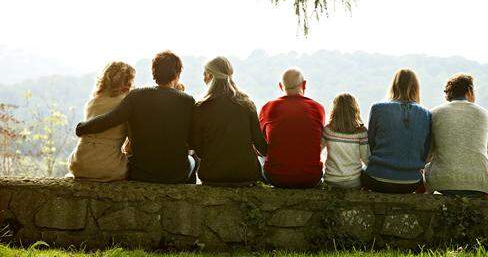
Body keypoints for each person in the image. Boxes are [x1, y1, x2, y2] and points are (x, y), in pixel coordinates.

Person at [75, 51, 197, 184]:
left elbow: (110, 119)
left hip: (140, 173)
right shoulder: (187, 101)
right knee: (193, 160)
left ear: (154, 73)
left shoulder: (136, 96)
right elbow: (193, 140)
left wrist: (82, 128)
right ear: (177, 75)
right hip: (176, 174)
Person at [192, 56, 267, 186]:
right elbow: (261, 146)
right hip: (246, 174)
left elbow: (198, 149)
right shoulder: (246, 103)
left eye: (204, 74)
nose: (203, 78)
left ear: (210, 75)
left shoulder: (201, 107)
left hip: (212, 174)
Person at [424, 74, 488, 198]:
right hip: (479, 183)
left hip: (442, 183)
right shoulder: (484, 113)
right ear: (469, 91)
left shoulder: (434, 113)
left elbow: (428, 154)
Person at [362, 69, 430, 194]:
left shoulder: (377, 108)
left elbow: (371, 143)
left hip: (377, 178)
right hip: (411, 182)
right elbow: (425, 152)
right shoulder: (425, 114)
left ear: (394, 85)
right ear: (416, 88)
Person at [68, 61, 135, 181]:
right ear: (128, 81)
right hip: (108, 167)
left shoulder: (91, 103)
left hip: (78, 164)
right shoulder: (126, 104)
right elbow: (132, 140)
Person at [259, 68, 325, 188]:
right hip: (310, 177)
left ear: (280, 86)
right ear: (304, 84)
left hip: (276, 177)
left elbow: (260, 145)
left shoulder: (268, 108)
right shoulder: (318, 108)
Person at [321, 93, 370, 189]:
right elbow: (366, 158)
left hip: (331, 180)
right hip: (354, 181)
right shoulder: (361, 132)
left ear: (334, 110)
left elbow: (318, 151)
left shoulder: (328, 130)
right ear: (354, 110)